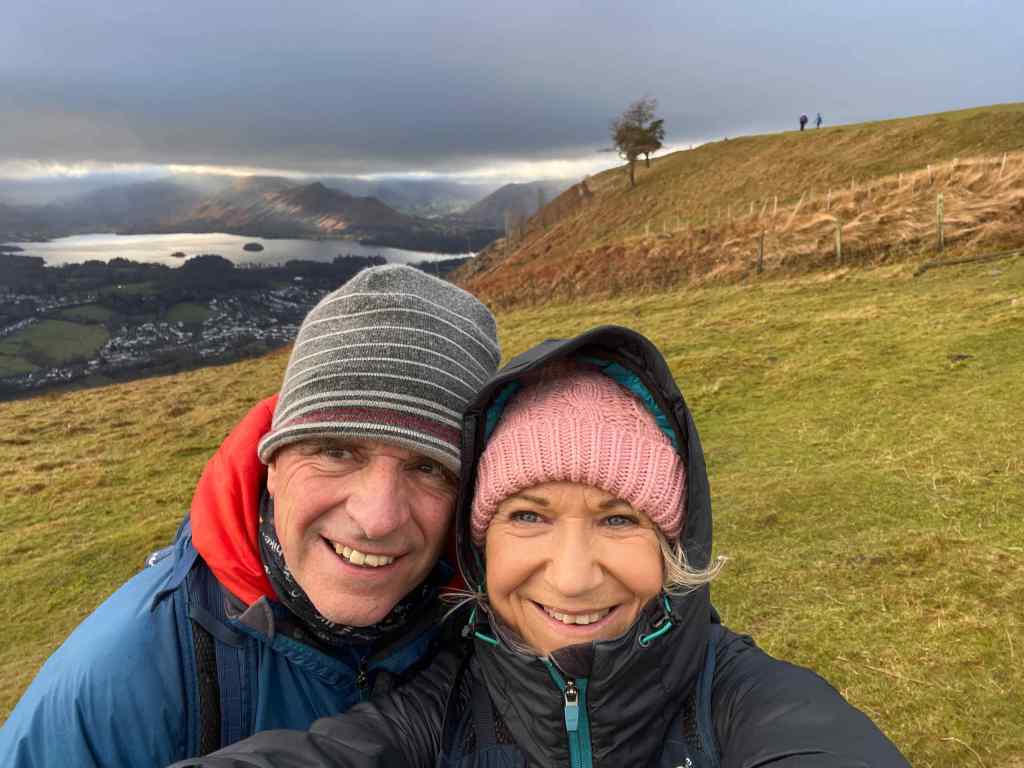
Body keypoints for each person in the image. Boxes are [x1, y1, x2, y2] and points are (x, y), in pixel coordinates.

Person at [172, 325, 910, 768]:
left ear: (673, 544)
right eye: (528, 516)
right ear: (480, 545)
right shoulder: (435, 709)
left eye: (619, 520)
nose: (573, 575)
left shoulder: (745, 704)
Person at [0, 264, 501, 767]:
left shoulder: (499, 631)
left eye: (430, 468)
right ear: (272, 464)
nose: (377, 518)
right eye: (336, 451)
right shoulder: (119, 683)